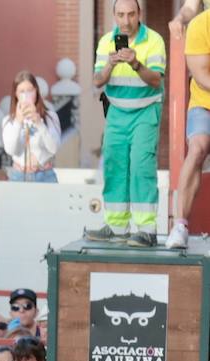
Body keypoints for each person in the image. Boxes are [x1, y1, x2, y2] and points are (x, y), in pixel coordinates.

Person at [87, 0, 165, 247]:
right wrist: (111, 63)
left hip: (145, 111)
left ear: (139, 14)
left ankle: (147, 230)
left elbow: (155, 80)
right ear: (114, 15)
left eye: (131, 14)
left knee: (141, 168)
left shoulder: (154, 41)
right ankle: (117, 227)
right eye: (120, 15)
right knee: (114, 166)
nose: (126, 20)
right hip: (117, 113)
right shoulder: (105, 42)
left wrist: (135, 63)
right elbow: (97, 80)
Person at [172, 6, 210, 248]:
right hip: (204, 103)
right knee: (197, 148)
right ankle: (179, 226)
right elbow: (202, 75)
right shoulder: (201, 25)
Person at [1, 71, 61, 183]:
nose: (26, 95)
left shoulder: (50, 117)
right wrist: (18, 121)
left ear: (36, 91)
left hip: (45, 175)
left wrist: (39, 123)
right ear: (16, 94)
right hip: (19, 176)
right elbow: (10, 150)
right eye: (22, 91)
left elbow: (54, 148)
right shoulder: (9, 121)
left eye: (30, 90)